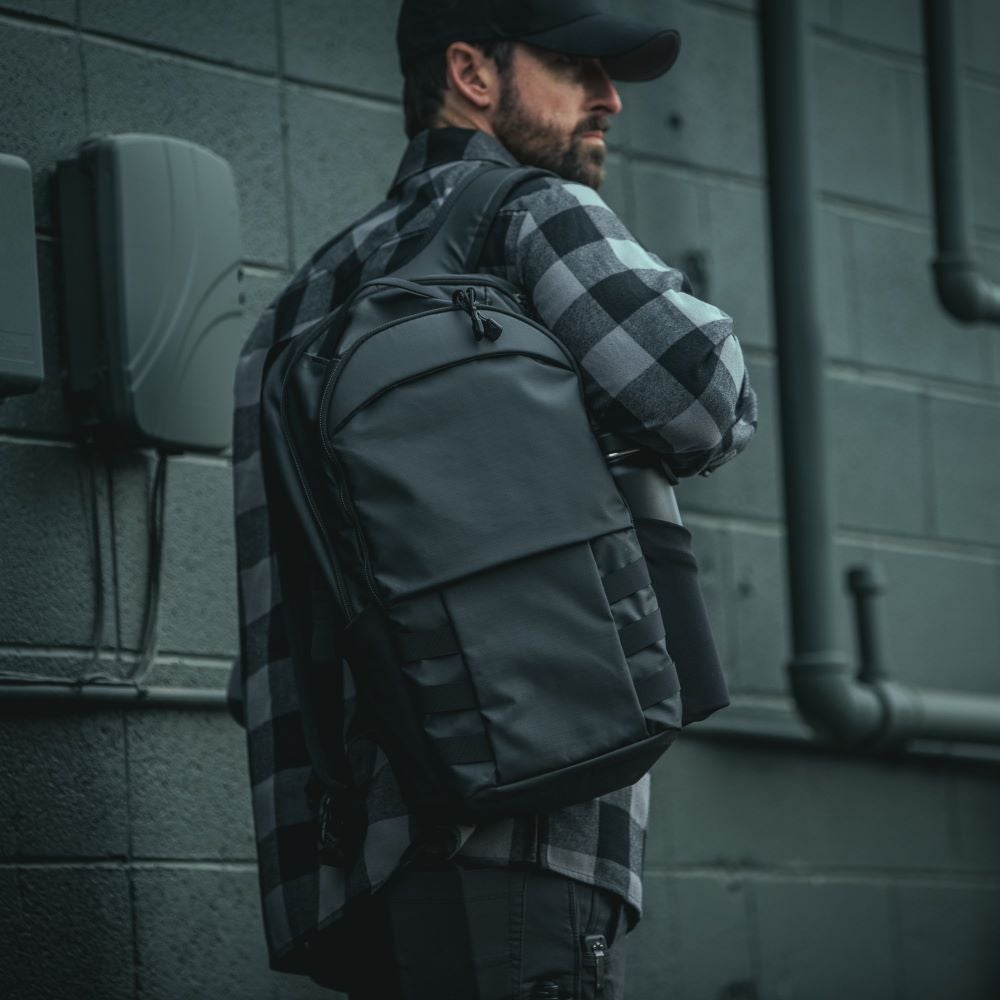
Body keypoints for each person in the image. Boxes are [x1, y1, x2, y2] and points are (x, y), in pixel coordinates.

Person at [232, 2, 757, 997]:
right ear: (472, 73)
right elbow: (701, 396)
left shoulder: (293, 307)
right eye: (575, 67)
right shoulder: (529, 213)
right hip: (521, 828)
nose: (608, 99)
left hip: (351, 870)